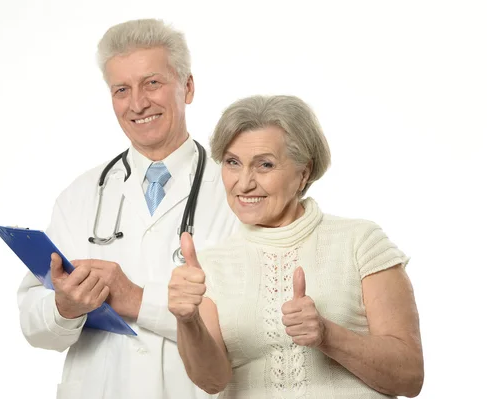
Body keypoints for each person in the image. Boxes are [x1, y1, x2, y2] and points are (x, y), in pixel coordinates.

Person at [17, 19, 237, 399]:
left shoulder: (236, 191)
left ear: (187, 87)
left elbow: (247, 322)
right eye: (122, 89)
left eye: (152, 83)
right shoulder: (81, 195)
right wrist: (63, 307)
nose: (137, 104)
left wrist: (136, 299)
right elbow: (32, 323)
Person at [168, 95, 424, 398]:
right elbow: (213, 381)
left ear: (304, 173)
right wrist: (187, 321)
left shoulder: (361, 242)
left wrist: (328, 336)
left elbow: (409, 376)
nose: (244, 183)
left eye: (265, 164)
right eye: (232, 163)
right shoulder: (209, 266)